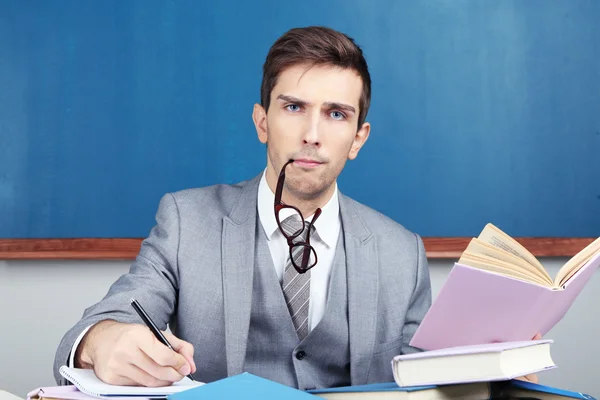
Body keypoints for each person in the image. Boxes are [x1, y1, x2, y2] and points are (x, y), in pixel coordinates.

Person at [53, 26, 533, 390]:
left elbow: (418, 382)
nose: (312, 135)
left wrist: (491, 366)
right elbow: (107, 318)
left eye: (337, 114)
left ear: (358, 139)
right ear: (262, 121)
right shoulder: (186, 221)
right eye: (293, 107)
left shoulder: (401, 252)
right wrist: (100, 341)